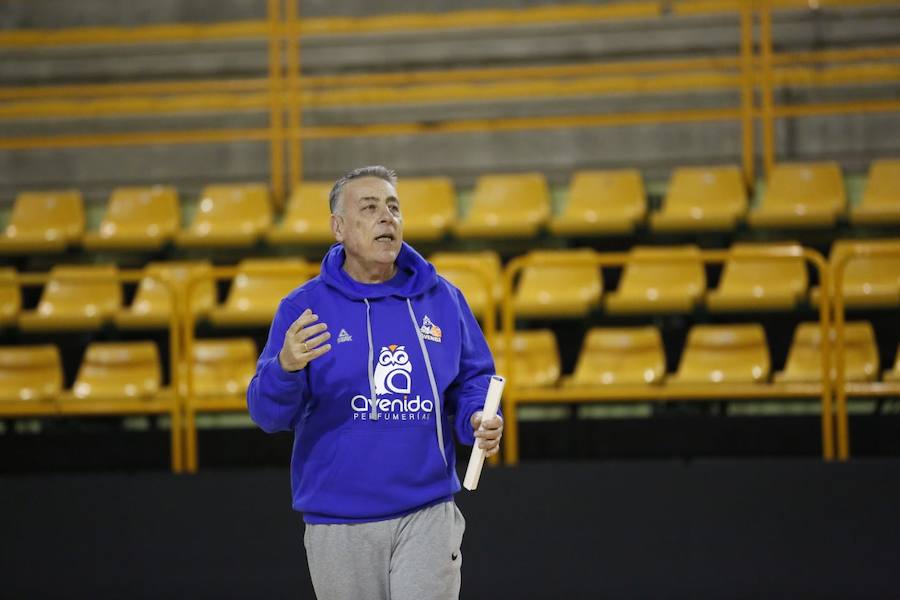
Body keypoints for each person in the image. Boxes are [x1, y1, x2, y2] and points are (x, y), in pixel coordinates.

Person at [247, 165, 504, 600]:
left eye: (393, 207)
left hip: (427, 510)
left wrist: (478, 416)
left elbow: (474, 378)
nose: (387, 217)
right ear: (338, 227)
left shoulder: (442, 297)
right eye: (369, 208)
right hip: (338, 520)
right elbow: (267, 415)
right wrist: (285, 368)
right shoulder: (303, 308)